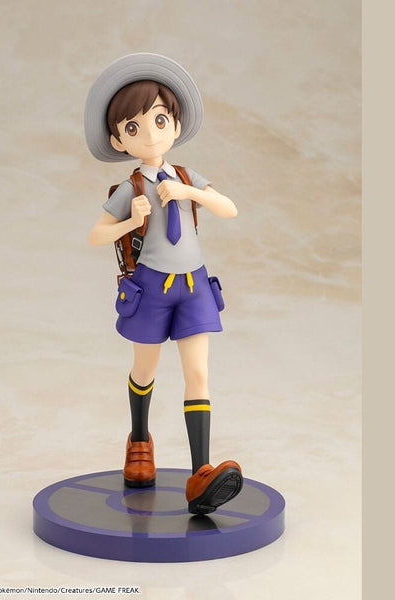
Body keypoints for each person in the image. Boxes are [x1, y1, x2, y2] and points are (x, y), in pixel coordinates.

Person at [84, 53, 242, 515]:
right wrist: (129, 220)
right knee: (145, 369)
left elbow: (229, 208)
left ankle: (201, 472)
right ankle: (139, 439)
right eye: (133, 128)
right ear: (119, 140)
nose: (151, 135)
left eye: (159, 120)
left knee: (198, 374)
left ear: (175, 123)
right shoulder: (130, 188)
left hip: (194, 286)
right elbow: (96, 236)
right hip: (152, 288)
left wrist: (188, 192)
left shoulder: (187, 177)